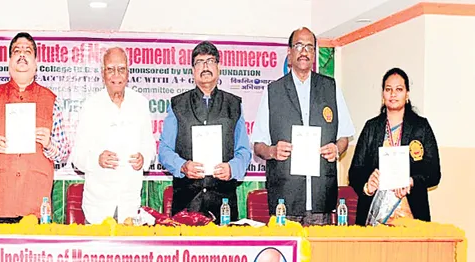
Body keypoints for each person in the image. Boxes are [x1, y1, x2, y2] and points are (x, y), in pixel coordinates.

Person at [252, 27, 355, 226]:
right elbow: (258, 145)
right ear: (289, 53)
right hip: (284, 198)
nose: (304, 51)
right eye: (299, 46)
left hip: (321, 196)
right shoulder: (273, 91)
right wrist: (272, 151)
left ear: (314, 54)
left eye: (309, 47)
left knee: (320, 247)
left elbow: (344, 136)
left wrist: (336, 149)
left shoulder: (330, 88)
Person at [0, 32, 70, 223]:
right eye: (17, 51)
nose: (22, 54)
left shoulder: (50, 100)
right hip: (0, 200)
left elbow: (63, 152)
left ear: (36, 63)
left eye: (28, 51)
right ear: (9, 61)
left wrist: (49, 144)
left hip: (36, 201)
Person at [158, 41, 251, 222]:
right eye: (200, 62)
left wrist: (232, 168)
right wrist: (182, 166)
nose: (205, 66)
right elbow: (164, 150)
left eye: (210, 61)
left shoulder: (234, 105)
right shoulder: (177, 105)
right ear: (193, 70)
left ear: (219, 67)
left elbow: (244, 151)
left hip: (223, 204)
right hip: (186, 203)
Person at [71, 47, 155, 224]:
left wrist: (144, 158)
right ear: (103, 73)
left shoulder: (140, 104)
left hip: (130, 206)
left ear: (128, 73)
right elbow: (77, 157)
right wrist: (97, 159)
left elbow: (150, 149)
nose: (116, 75)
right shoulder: (91, 106)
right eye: (110, 69)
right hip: (97, 209)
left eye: (121, 69)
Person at [348, 67, 440, 225]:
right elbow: (355, 172)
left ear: (407, 94)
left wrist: (411, 181)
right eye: (388, 89)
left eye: (399, 89)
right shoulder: (371, 127)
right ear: (383, 94)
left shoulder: (421, 127)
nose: (393, 94)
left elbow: (434, 173)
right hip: (374, 218)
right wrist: (367, 185)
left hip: (412, 216)